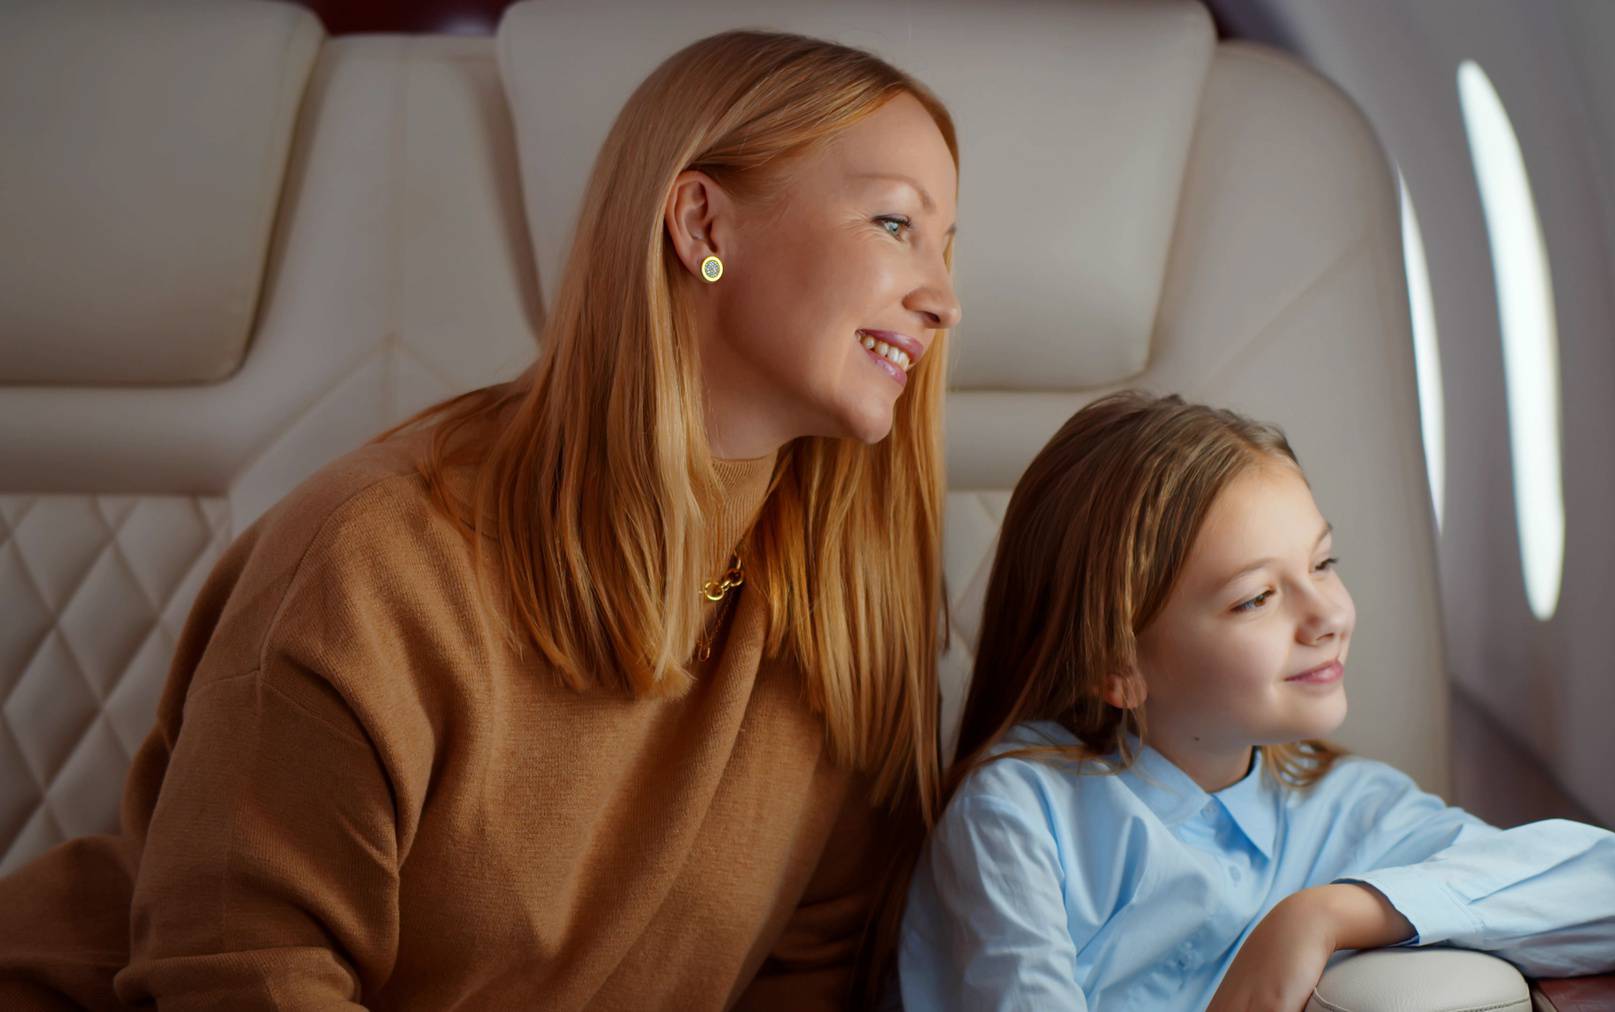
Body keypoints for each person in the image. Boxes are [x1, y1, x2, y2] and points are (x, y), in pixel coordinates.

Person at [0, 29, 959, 1010]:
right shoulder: (372, 559)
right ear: (704, 228)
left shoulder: (849, 616)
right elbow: (241, 975)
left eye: (946, 244)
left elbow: (809, 975)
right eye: (895, 224)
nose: (944, 299)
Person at [898, 391, 1615, 1011]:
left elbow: (1605, 894)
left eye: (1323, 562)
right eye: (1257, 597)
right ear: (1118, 666)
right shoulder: (1017, 813)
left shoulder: (1337, 807)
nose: (1327, 613)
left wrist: (1320, 916)